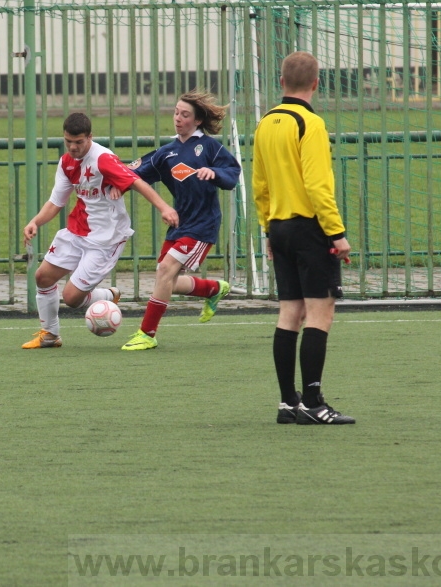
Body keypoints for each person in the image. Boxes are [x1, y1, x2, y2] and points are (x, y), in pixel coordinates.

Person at [251, 51, 355, 425]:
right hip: (309, 229)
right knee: (320, 312)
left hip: (279, 227)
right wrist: (337, 234)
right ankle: (312, 401)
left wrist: (268, 227)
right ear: (316, 83)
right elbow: (317, 185)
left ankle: (287, 403)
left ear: (281, 82)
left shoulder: (265, 124)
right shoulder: (310, 124)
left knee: (288, 313)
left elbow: (260, 185)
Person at [21, 113, 179, 349]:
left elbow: (136, 181)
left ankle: (106, 296)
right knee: (42, 277)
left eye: (79, 142)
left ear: (90, 137)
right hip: (77, 231)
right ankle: (50, 335)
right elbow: (56, 202)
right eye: (68, 142)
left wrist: (164, 207)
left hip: (106, 238)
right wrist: (35, 222)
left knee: (72, 299)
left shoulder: (103, 158)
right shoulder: (66, 163)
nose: (73, 147)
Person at [119, 89, 242, 351]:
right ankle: (213, 289)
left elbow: (232, 174)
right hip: (180, 224)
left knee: (165, 271)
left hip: (203, 225)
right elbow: (132, 173)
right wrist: (110, 176)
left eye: (184, 114)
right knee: (169, 281)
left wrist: (215, 172)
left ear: (197, 121)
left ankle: (147, 333)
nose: (178, 118)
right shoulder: (167, 152)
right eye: (176, 112)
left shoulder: (209, 146)